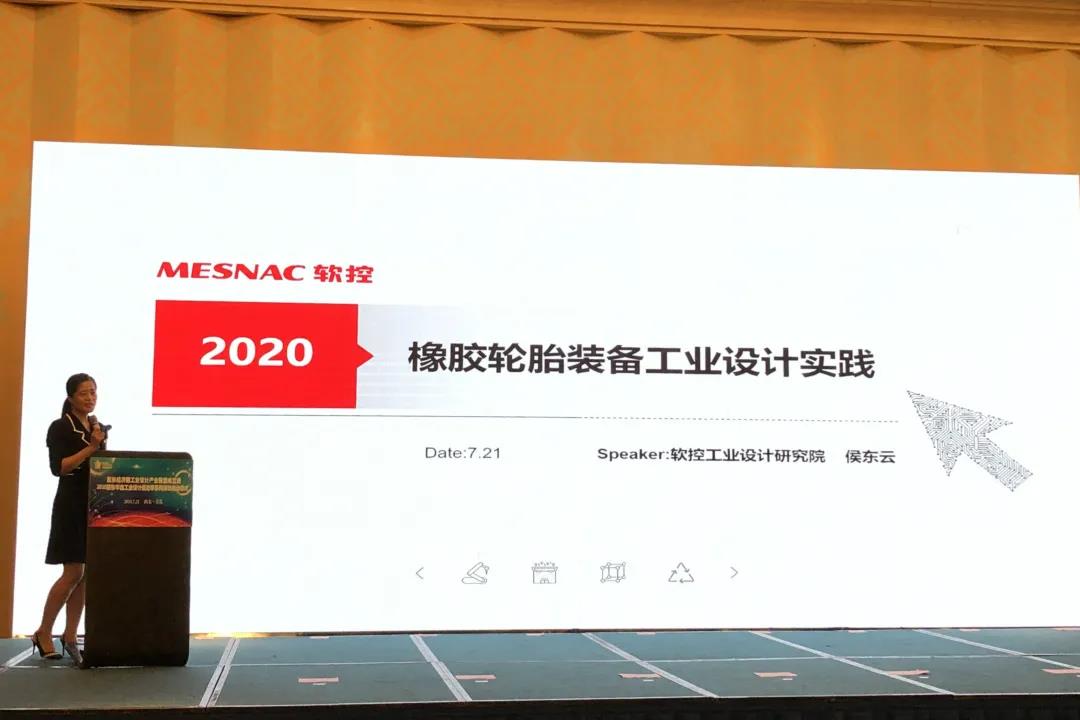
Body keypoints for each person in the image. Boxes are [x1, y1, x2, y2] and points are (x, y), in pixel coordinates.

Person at [30, 373, 107, 665]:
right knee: (73, 571)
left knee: (85, 573)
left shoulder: (97, 427)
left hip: (93, 505)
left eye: (93, 392)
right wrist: (92, 447)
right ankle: (43, 631)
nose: (90, 398)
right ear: (71, 397)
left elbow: (102, 466)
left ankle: (71, 635)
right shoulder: (61, 427)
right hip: (70, 505)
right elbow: (59, 467)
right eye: (84, 393)